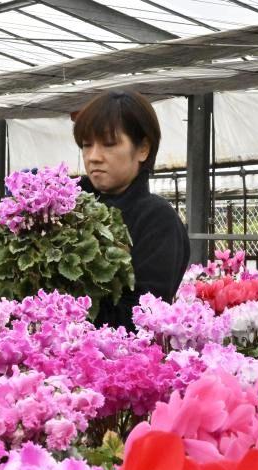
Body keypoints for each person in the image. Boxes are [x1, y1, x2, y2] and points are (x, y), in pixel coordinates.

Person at [73, 90, 190, 329]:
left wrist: (67, 307)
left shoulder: (157, 219)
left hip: (117, 359)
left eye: (109, 144)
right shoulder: (66, 208)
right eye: (86, 145)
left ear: (143, 149)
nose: (93, 157)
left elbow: (140, 318)